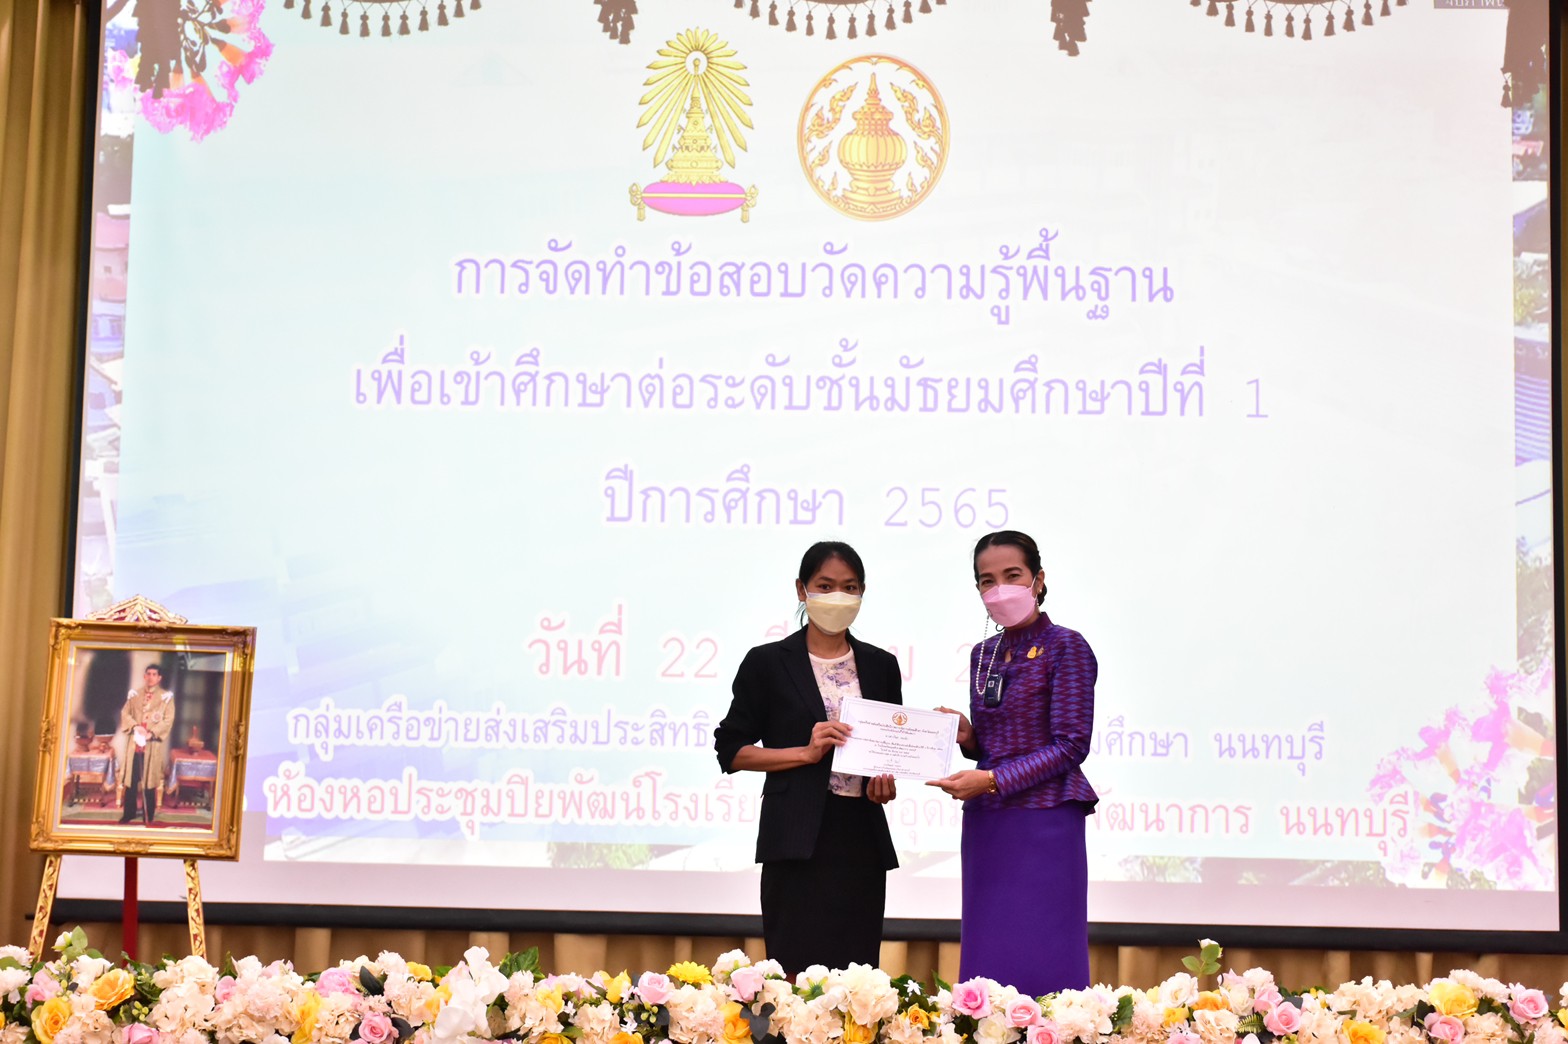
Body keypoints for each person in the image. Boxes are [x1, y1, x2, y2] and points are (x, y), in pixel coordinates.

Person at [713, 541, 902, 973]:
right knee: (793, 977)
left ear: (862, 592)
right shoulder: (767, 663)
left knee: (857, 980)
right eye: (825, 585)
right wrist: (805, 752)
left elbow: (885, 751)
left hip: (860, 840)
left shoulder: (881, 665)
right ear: (802, 590)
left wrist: (882, 785)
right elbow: (731, 750)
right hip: (795, 840)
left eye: (849, 587)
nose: (838, 596)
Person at [928, 530, 1097, 995]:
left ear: (1038, 580)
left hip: (1046, 820)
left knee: (1046, 955)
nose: (999, 589)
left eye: (1012, 575)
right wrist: (969, 737)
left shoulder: (1067, 646)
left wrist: (991, 779)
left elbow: (1070, 745)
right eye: (988, 580)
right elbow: (996, 745)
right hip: (988, 821)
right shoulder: (983, 654)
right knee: (989, 957)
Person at [115, 664, 176, 825]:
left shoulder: (166, 697)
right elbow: (125, 713)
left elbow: (168, 720)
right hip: (134, 745)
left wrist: (152, 733)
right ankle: (128, 813)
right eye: (148, 674)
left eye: (154, 674)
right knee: (131, 781)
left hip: (151, 745)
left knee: (149, 782)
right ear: (144, 676)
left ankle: (148, 814)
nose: (151, 677)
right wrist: (135, 726)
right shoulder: (135, 694)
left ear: (159, 678)